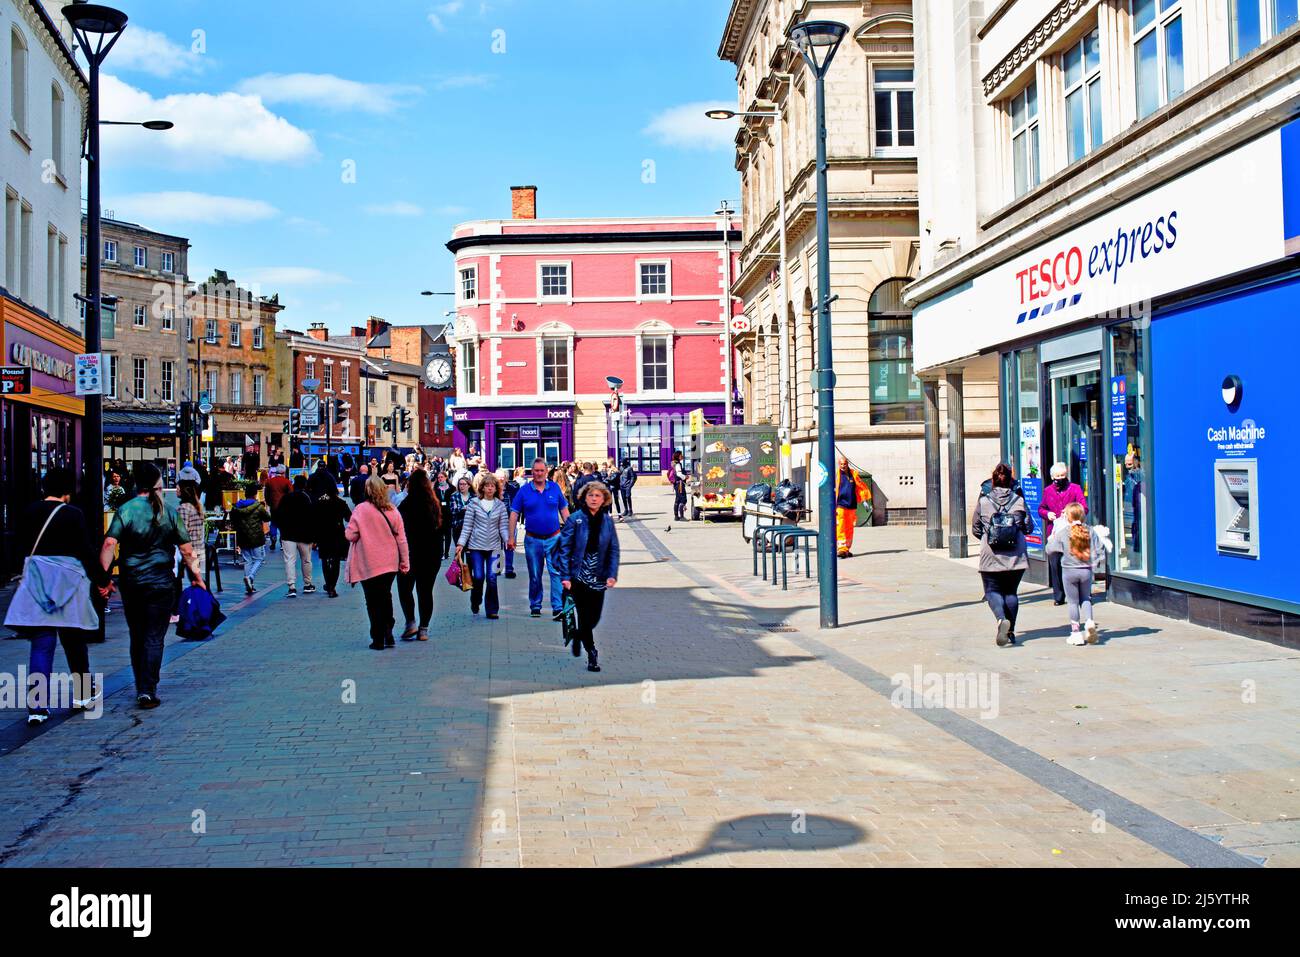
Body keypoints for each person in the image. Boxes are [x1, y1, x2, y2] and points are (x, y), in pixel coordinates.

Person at [101, 462, 204, 709]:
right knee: (154, 637)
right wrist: (197, 578)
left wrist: (103, 579)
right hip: (161, 583)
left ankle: (141, 685)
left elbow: (108, 544)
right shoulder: (168, 511)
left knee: (137, 635)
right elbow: (187, 550)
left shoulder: (125, 510)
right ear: (157, 484)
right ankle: (149, 688)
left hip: (132, 582)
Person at [10, 468, 105, 724]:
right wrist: (102, 581)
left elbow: (17, 548)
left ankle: (37, 707)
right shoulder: (74, 515)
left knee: (41, 643)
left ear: (43, 488)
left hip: (37, 583)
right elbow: (85, 550)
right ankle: (83, 695)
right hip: (68, 584)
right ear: (68, 491)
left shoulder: (29, 512)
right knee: (75, 642)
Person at [553, 481, 620, 674]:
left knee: (594, 618)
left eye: (598, 496)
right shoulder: (575, 519)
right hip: (579, 574)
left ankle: (577, 634)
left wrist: (612, 574)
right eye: (591, 495)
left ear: (604, 499)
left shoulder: (607, 521)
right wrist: (565, 576)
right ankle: (591, 653)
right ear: (584, 497)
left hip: (599, 574)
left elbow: (613, 549)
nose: (594, 499)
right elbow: (565, 549)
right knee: (583, 615)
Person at [971, 463, 1034, 648]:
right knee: (1011, 593)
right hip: (1016, 555)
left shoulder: (983, 502)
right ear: (1010, 482)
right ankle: (1011, 630)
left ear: (993, 481)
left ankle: (1000, 619)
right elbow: (1028, 526)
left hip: (991, 554)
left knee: (992, 591)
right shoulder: (1019, 500)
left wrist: (986, 537)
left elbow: (975, 527)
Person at [345, 475, 410, 650]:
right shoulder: (393, 510)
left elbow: (350, 535)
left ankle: (378, 638)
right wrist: (405, 562)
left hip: (368, 562)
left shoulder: (360, 510)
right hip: (389, 563)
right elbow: (401, 539)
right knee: (385, 595)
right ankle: (388, 630)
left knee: (372, 600)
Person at [510, 458, 571, 620]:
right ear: (532, 472)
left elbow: (564, 511)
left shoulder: (555, 488)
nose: (538, 473)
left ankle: (557, 607)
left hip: (554, 538)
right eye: (536, 471)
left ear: (546, 472)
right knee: (535, 575)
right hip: (532, 540)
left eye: (541, 471)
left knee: (556, 573)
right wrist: (511, 537)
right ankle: (535, 605)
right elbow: (514, 514)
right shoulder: (524, 491)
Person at [1046, 502, 1112, 645]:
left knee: (1073, 602)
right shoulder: (1090, 531)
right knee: (1086, 599)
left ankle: (1076, 633)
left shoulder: (1063, 532)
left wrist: (1052, 539)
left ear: (1068, 517)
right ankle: (1089, 623)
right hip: (1086, 571)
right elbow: (1099, 549)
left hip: (1069, 571)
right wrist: (1094, 563)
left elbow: (1050, 549)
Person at [456, 470, 510, 619]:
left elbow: (503, 527)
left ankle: (492, 609)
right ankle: (475, 600)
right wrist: (461, 544)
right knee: (478, 577)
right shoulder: (474, 503)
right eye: (487, 486)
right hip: (476, 547)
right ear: (482, 488)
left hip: (494, 547)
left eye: (493, 486)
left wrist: (508, 540)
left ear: (496, 489)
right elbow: (467, 526)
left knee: (492, 578)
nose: (490, 488)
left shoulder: (500, 505)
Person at [397, 469, 443, 640]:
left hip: (410, 554)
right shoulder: (434, 504)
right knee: (425, 591)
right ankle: (423, 629)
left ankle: (411, 622)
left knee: (404, 589)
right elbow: (442, 530)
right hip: (431, 555)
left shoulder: (405, 505)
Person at [1039, 462, 1087, 606]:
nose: (1060, 478)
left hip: (1072, 531)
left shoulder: (1075, 488)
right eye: (1057, 476)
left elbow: (1084, 507)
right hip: (1054, 533)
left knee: (1074, 562)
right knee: (1055, 562)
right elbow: (1041, 508)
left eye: (1063, 475)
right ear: (1052, 476)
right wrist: (1048, 514)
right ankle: (1058, 596)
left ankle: (1077, 594)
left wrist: (1070, 513)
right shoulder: (1048, 491)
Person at [275, 474, 316, 597]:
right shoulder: (308, 498)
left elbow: (278, 516)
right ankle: (307, 584)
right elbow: (313, 518)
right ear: (305, 485)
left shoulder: (285, 498)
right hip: (305, 534)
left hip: (288, 534)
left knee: (289, 560)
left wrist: (282, 530)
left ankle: (291, 586)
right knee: (306, 560)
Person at [314, 479, 352, 598]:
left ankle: (328, 582)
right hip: (337, 534)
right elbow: (348, 517)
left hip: (324, 534)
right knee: (335, 561)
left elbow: (315, 519)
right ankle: (332, 587)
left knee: (325, 560)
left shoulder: (320, 503)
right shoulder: (341, 503)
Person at [230, 488, 271, 595]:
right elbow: (267, 518)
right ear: (255, 495)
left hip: (242, 537)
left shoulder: (237, 507)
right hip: (256, 537)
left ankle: (249, 585)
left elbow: (232, 520)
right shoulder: (259, 507)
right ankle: (250, 577)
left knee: (247, 560)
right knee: (259, 559)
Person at [834, 454, 871, 558]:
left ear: (847, 464)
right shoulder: (836, 475)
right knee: (840, 527)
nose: (843, 466)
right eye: (841, 464)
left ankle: (847, 548)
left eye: (844, 464)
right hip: (840, 505)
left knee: (849, 528)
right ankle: (841, 549)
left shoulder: (853, 474)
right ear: (838, 464)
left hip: (852, 505)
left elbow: (860, 488)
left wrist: (864, 501)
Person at [176, 478, 206, 583]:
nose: (176, 489)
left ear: (184, 490)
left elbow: (182, 532)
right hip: (199, 550)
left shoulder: (183, 508)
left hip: (190, 553)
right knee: (198, 582)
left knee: (196, 582)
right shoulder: (197, 506)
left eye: (178, 487)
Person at [497, 468, 519, 579]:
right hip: (495, 522)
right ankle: (497, 568)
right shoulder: (492, 489)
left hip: (510, 520)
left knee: (509, 545)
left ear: (506, 478)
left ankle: (509, 568)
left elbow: (517, 504)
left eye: (503, 476)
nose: (501, 478)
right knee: (496, 546)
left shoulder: (513, 489)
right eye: (499, 476)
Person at [434, 470, 455, 559]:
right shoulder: (435, 489)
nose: (440, 479)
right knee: (439, 534)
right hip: (439, 513)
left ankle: (446, 552)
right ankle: (441, 552)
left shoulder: (452, 488)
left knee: (448, 534)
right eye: (438, 478)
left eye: (441, 477)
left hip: (449, 513)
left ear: (446, 477)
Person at [668, 451, 688, 522]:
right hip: (679, 484)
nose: (682, 456)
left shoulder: (673, 463)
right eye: (681, 455)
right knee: (683, 499)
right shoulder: (678, 464)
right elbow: (679, 474)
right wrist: (685, 477)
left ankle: (676, 516)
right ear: (678, 456)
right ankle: (681, 517)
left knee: (678, 499)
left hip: (676, 484)